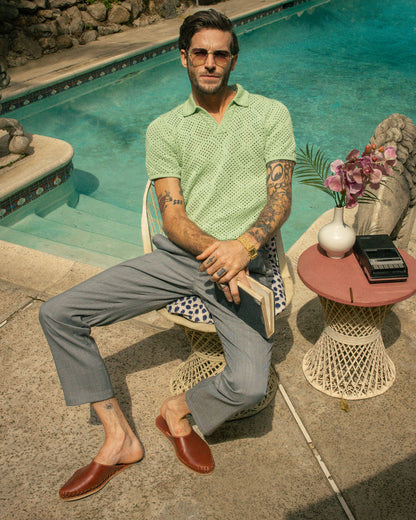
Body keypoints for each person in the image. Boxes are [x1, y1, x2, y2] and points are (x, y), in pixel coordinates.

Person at [39, 8, 296, 501]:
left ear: (234, 60)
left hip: (246, 263)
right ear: (183, 58)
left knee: (249, 387)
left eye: (221, 53)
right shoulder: (165, 129)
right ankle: (118, 438)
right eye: (199, 52)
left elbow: (280, 198)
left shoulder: (270, 114)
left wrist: (243, 247)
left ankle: (178, 410)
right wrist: (219, 251)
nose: (210, 62)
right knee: (59, 313)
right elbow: (174, 221)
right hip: (180, 258)